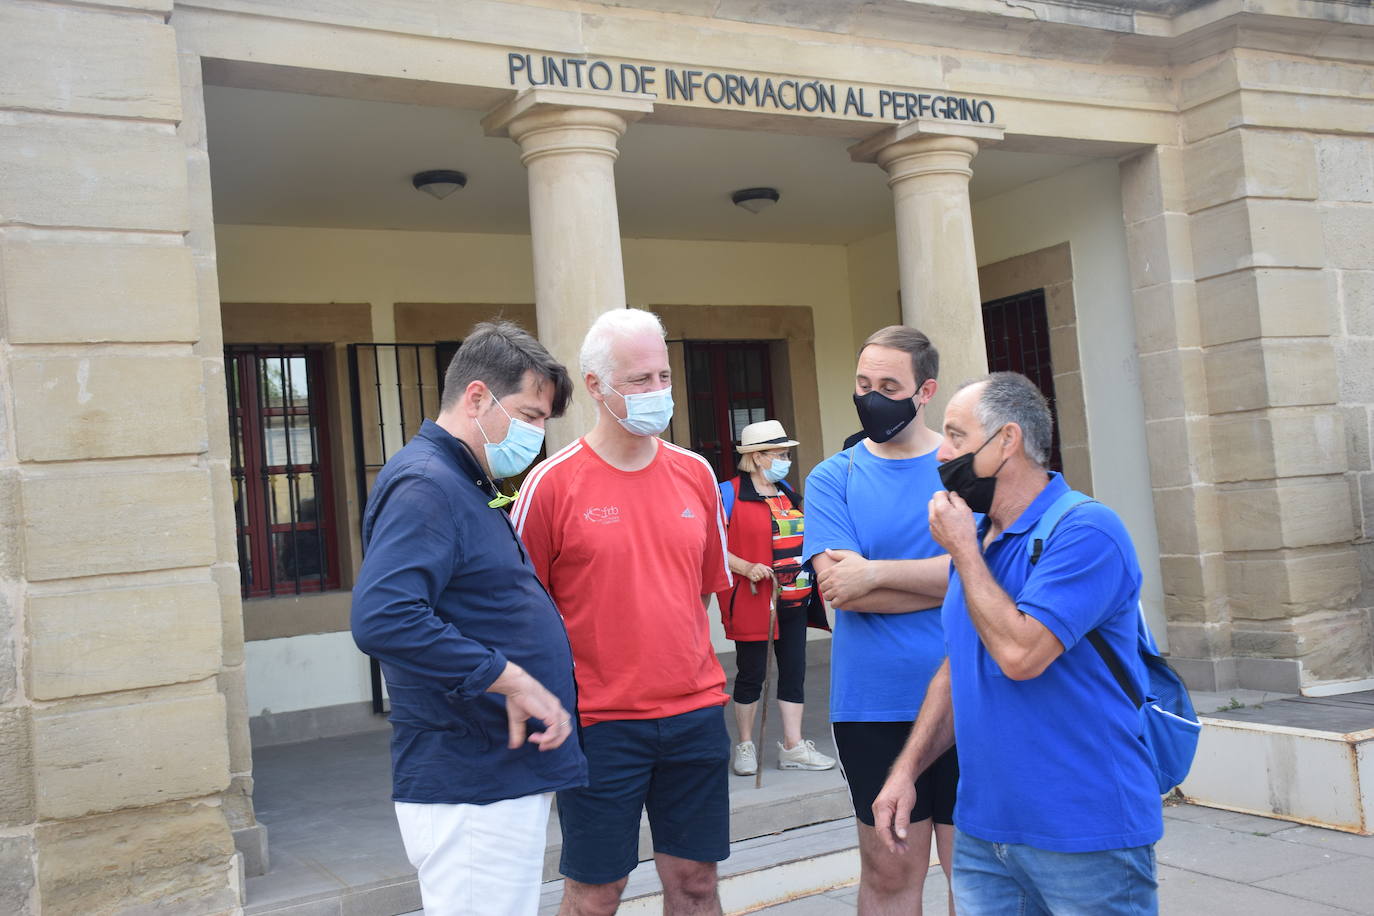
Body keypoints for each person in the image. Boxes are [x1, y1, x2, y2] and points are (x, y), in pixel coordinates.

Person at [872, 372, 1162, 915]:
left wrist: (962, 552)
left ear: (1006, 442)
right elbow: (960, 666)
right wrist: (906, 771)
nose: (942, 451)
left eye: (956, 436)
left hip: (1084, 833)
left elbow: (1020, 656)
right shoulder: (979, 538)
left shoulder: (1086, 532)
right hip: (985, 833)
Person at [350, 320, 585, 916]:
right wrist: (506, 675)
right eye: (530, 415)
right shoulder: (426, 485)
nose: (537, 433)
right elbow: (384, 616)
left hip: (493, 772)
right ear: (476, 396)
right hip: (468, 779)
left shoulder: (463, 478)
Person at [512, 307, 733, 916]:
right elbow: (522, 611)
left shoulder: (696, 475)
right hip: (599, 724)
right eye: (640, 380)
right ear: (594, 386)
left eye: (664, 376)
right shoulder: (550, 485)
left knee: (696, 885)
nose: (657, 392)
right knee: (595, 893)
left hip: (694, 714)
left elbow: (702, 589)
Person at [802, 325, 957, 914]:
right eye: (863, 384)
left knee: (975, 876)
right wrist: (950, 580)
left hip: (971, 696)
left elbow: (991, 577)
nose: (872, 397)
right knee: (890, 874)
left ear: (925, 391)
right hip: (873, 707)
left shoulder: (964, 467)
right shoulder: (832, 477)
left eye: (889, 385)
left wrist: (877, 572)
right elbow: (843, 589)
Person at [716, 419, 836, 776]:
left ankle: (793, 746)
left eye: (786, 453)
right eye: (779, 454)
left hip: (795, 600)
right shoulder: (729, 493)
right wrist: (745, 566)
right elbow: (712, 546)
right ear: (756, 456)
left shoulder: (787, 492)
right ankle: (746, 746)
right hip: (756, 601)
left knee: (793, 673)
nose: (785, 459)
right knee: (752, 674)